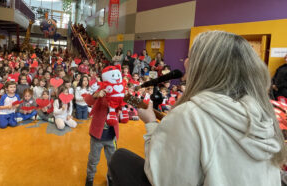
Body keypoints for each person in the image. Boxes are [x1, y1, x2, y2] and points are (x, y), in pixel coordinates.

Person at [109, 31, 285, 186]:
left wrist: (151, 123)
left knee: (121, 160)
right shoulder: (263, 113)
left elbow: (163, 179)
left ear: (206, 67)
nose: (185, 61)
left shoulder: (190, 114)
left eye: (190, 56)